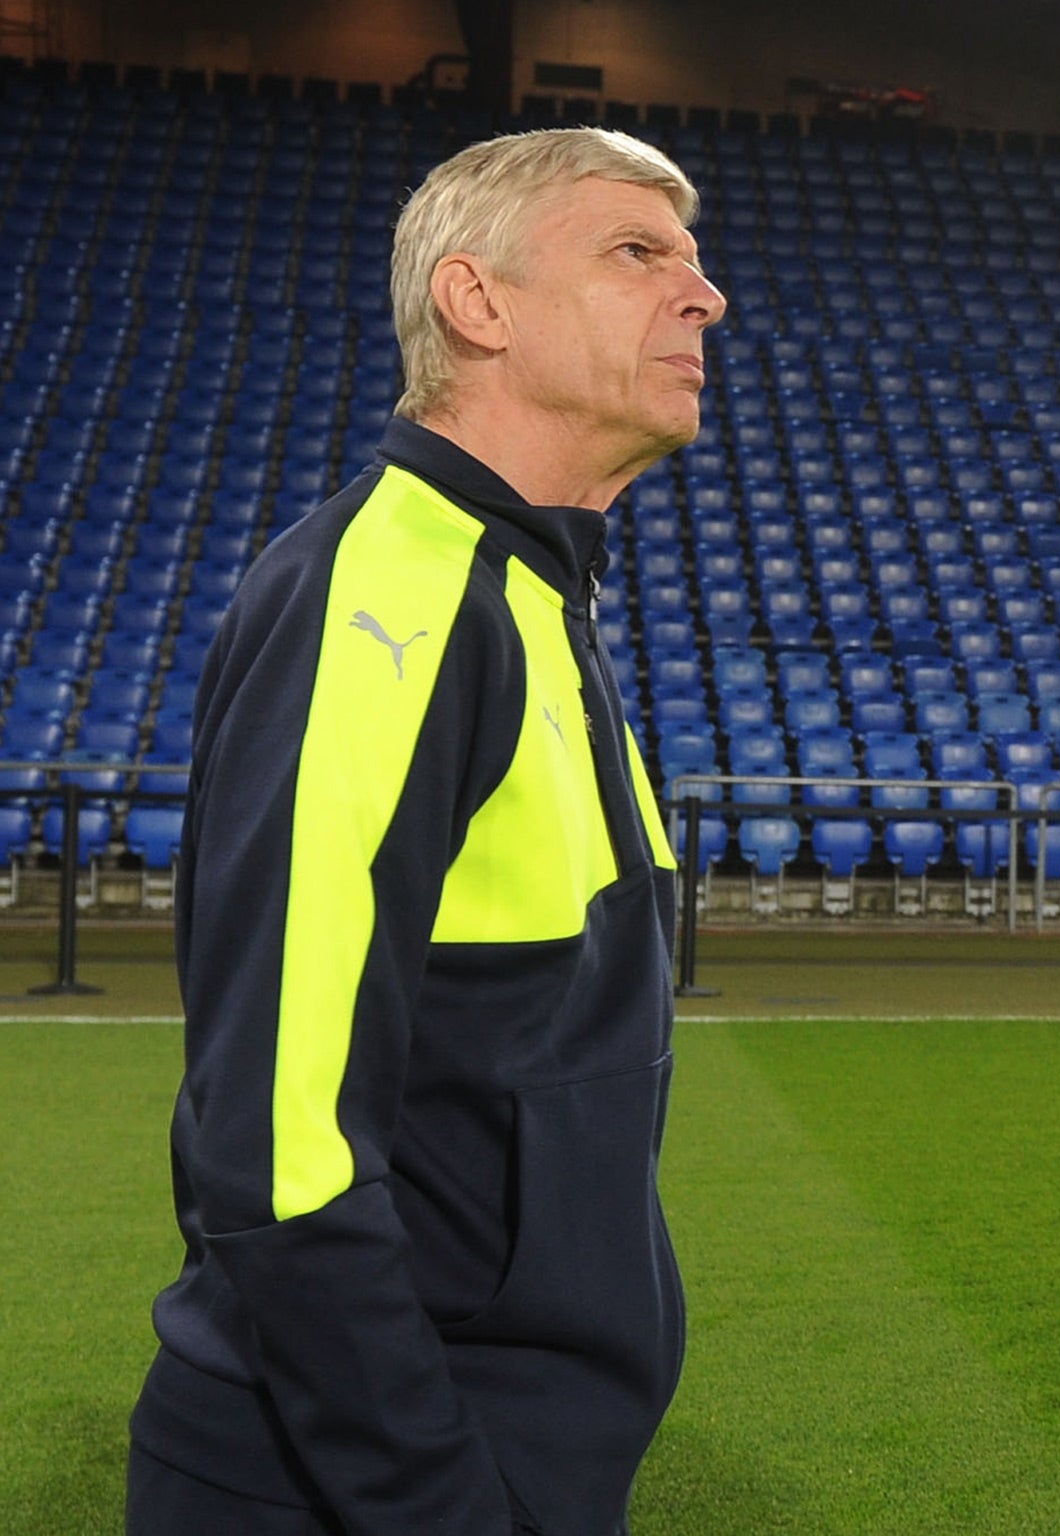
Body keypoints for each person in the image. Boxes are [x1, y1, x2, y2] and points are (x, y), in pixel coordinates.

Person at [127, 126, 726, 1535]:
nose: (704, 298)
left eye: (696, 265)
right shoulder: (391, 600)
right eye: (636, 253)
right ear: (477, 303)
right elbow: (276, 1152)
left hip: (488, 1446)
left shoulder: (527, 597)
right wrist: (437, 1497)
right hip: (356, 1478)